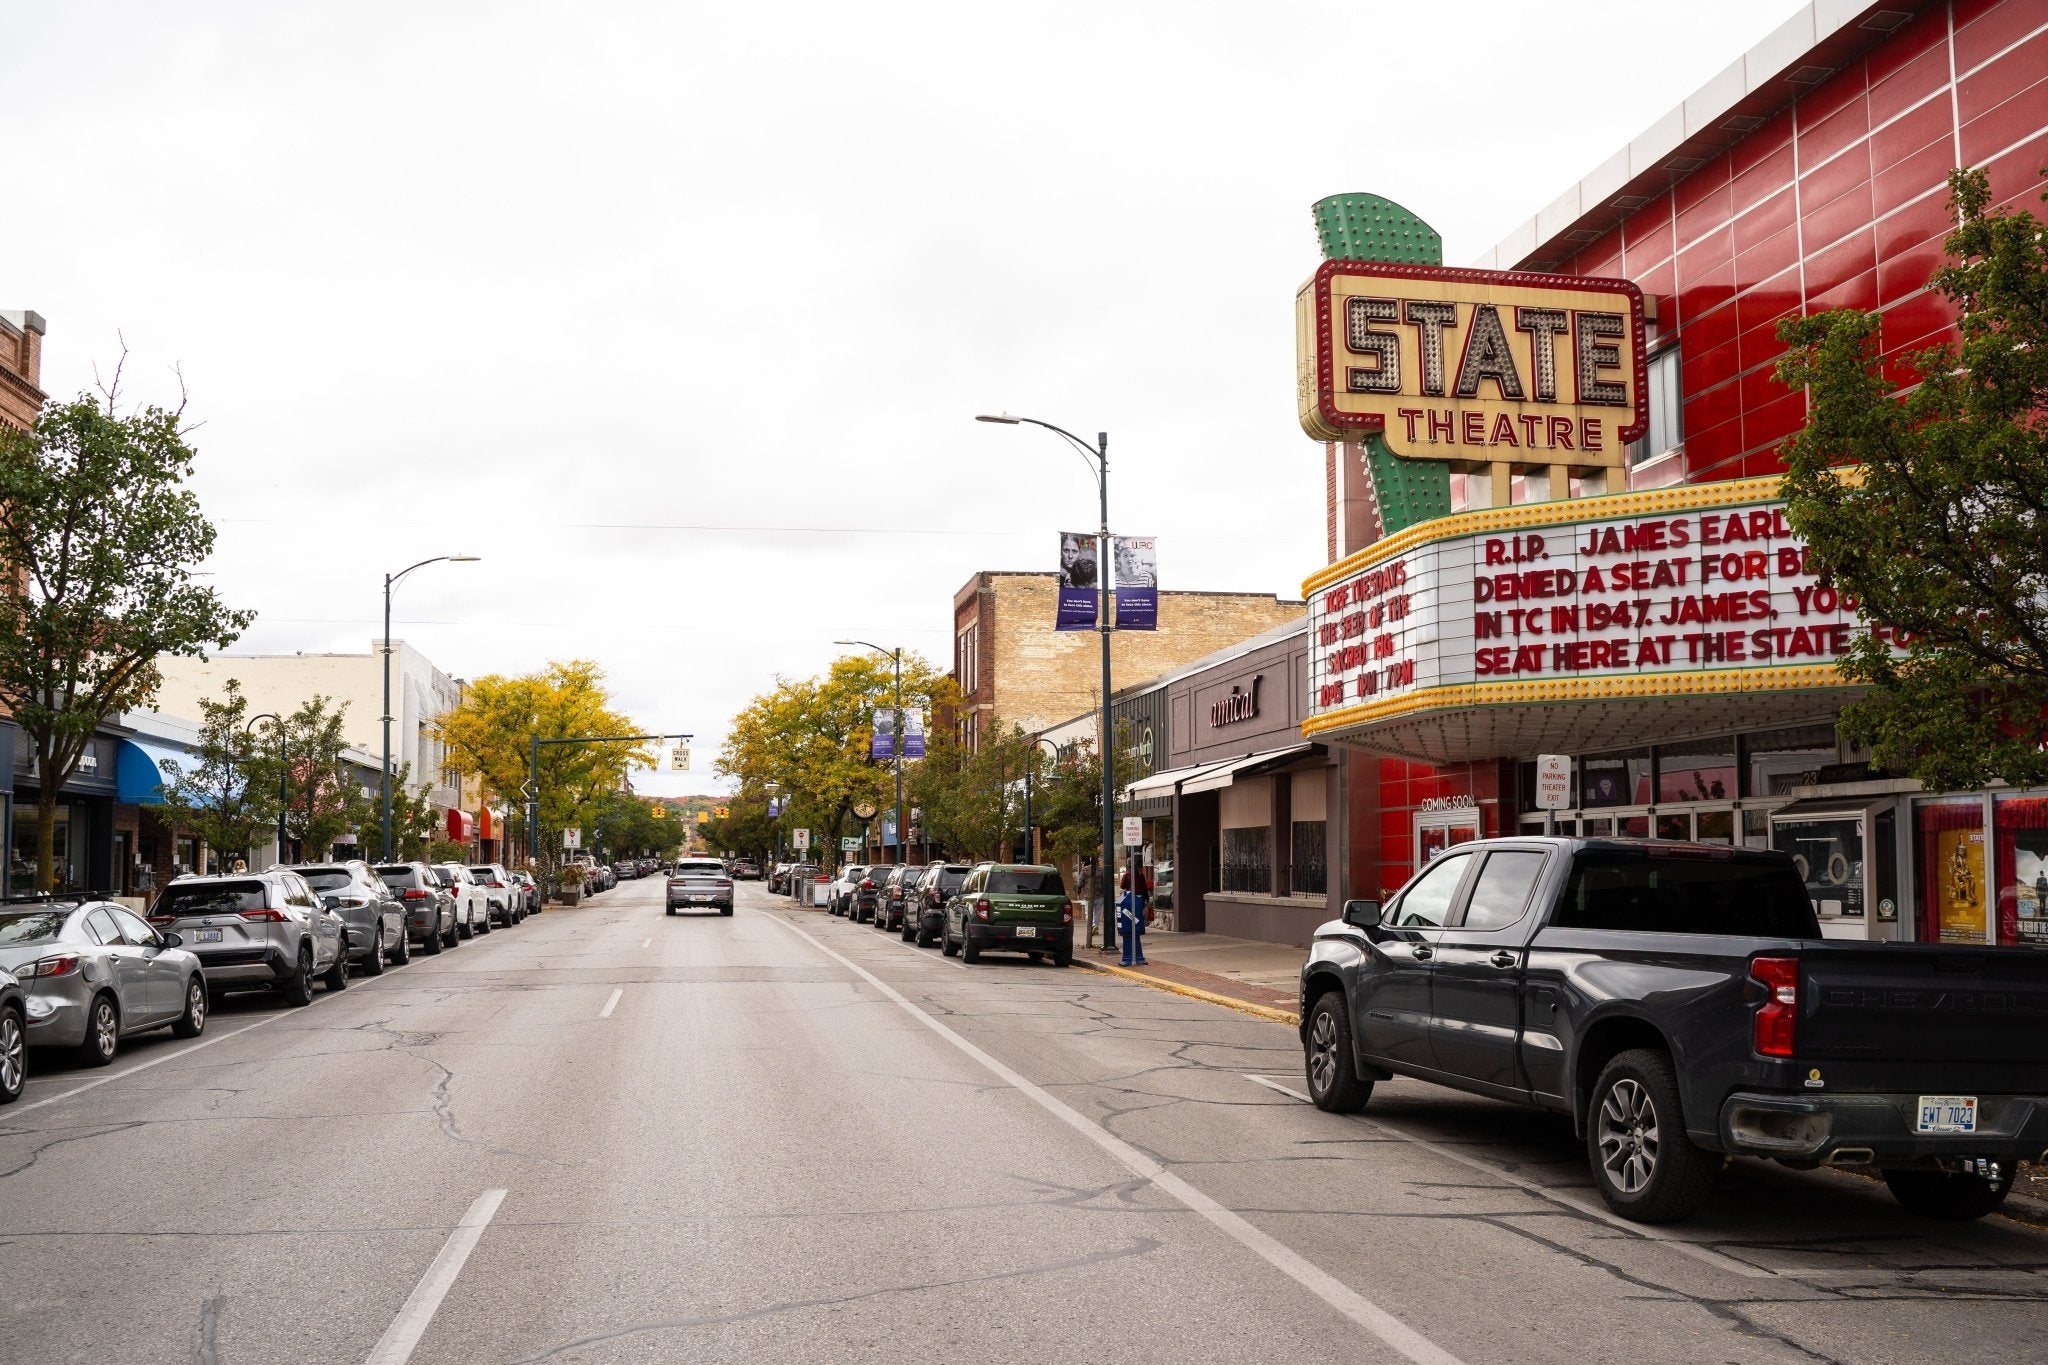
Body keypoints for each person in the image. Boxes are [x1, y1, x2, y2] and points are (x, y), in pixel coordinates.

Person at [1117, 862, 1151, 966]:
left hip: (1128, 899)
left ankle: (1133, 928)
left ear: (1128, 868)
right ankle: (1137, 927)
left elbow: (1122, 886)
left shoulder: (1126, 875)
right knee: (1137, 918)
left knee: (1130, 919)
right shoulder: (1140, 875)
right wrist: (1146, 899)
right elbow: (1144, 888)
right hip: (1139, 899)